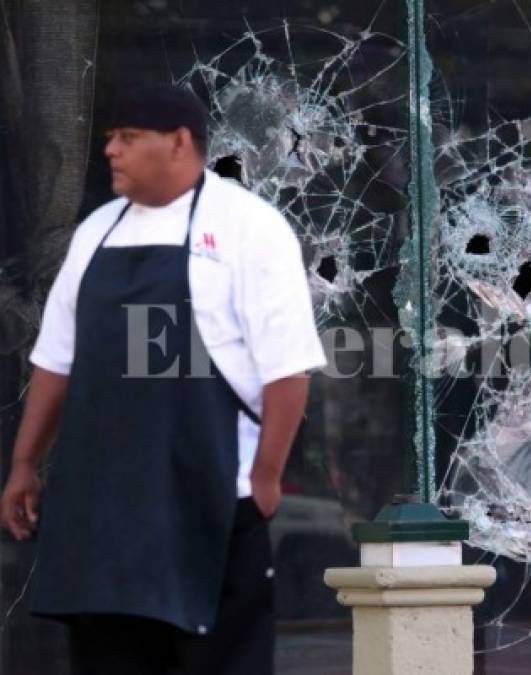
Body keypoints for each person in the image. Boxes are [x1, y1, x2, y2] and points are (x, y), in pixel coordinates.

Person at [0, 84, 326, 674]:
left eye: (127, 138)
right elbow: (55, 363)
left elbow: (288, 370)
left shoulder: (248, 228)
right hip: (102, 513)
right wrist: (25, 464)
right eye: (108, 140)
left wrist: (267, 476)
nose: (111, 153)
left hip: (213, 504)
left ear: (180, 143)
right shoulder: (97, 231)